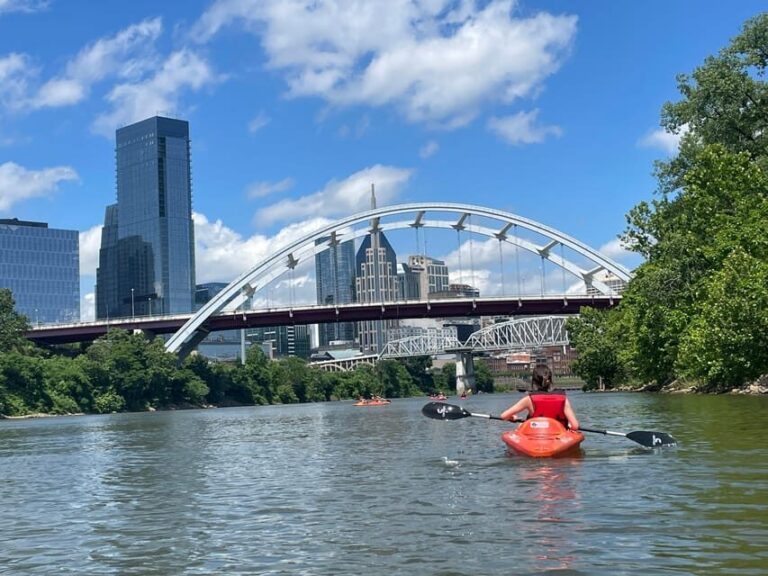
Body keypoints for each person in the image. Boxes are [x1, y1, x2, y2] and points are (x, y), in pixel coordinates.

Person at [500, 365, 579, 430]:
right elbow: (575, 426)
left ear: (534, 381)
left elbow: (503, 416)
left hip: (535, 434)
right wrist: (569, 429)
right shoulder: (563, 398)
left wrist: (512, 417)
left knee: (521, 425)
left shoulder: (529, 399)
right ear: (550, 380)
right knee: (568, 424)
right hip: (558, 434)